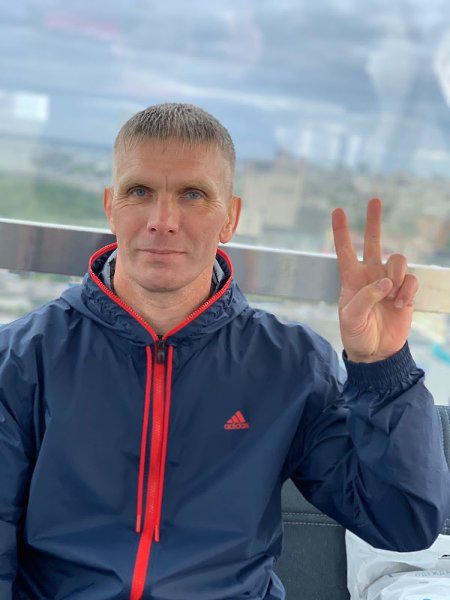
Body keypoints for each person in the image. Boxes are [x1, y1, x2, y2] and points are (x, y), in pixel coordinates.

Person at [0, 103, 448, 600]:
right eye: (139, 191)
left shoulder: (290, 365)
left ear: (230, 217)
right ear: (111, 206)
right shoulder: (24, 358)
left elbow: (404, 522)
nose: (162, 220)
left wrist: (382, 368)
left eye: (193, 194)